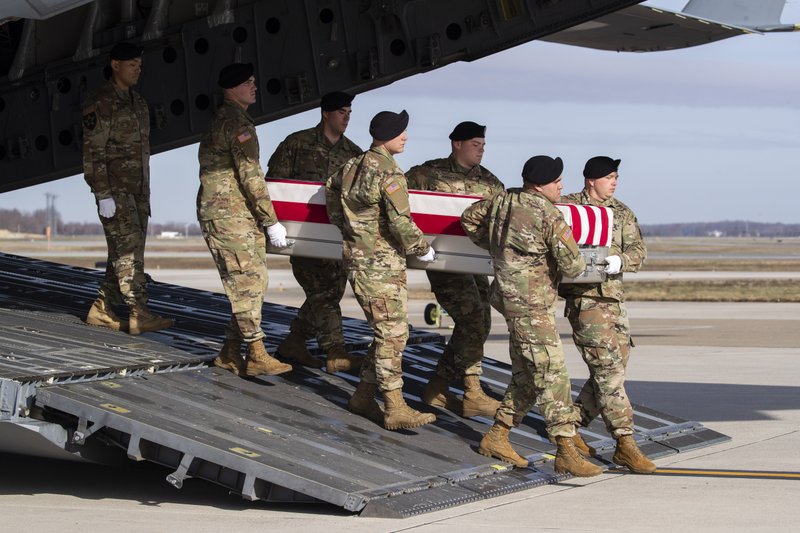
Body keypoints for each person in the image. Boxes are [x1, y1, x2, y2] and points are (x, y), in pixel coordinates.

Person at [461, 155, 601, 477]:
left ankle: (497, 435)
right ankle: (565, 448)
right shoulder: (549, 215)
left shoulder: (502, 200)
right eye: (557, 181)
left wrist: (498, 248)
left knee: (527, 372)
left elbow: (469, 219)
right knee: (552, 371)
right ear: (540, 185)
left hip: (508, 299)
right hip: (532, 306)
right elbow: (573, 265)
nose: (561, 186)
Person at [326, 110, 438, 430]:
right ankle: (395, 406)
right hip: (380, 263)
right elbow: (401, 222)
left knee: (385, 331)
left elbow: (330, 191)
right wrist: (422, 248)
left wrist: (349, 230)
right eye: (401, 132)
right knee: (393, 332)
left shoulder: (352, 165)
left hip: (358, 257)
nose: (405, 137)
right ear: (387, 135)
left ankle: (363, 396)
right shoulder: (389, 172)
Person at [558, 156, 656, 474]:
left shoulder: (622, 212)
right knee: (608, 372)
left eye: (616, 177)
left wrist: (621, 261)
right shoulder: (567, 208)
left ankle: (571, 426)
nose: (614, 182)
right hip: (585, 300)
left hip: (614, 300)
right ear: (591, 180)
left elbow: (638, 250)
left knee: (614, 369)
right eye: (609, 177)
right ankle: (625, 443)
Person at [196, 62, 292, 378]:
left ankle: (229, 351)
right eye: (248, 83)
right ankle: (257, 353)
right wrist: (271, 220)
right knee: (246, 283)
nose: (254, 87)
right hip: (229, 215)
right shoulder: (237, 124)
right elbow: (251, 175)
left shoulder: (225, 119)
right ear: (232, 88)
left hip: (231, 213)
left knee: (253, 280)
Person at [406, 121, 504, 418]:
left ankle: (438, 385)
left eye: (483, 145)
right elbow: (399, 205)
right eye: (475, 145)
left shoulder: (491, 183)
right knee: (472, 319)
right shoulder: (426, 174)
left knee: (481, 321)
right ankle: (472, 391)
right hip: (443, 261)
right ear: (457, 144)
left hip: (476, 263)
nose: (481, 150)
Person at [267, 92, 363, 373]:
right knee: (322, 292)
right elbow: (274, 187)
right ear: (325, 114)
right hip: (303, 236)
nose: (346, 118)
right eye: (341, 112)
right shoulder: (296, 144)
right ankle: (335, 351)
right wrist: (274, 226)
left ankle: (294, 343)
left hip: (337, 240)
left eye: (349, 113)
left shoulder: (354, 154)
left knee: (331, 291)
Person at [82, 42, 173, 335]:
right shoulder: (101, 102)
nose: (137, 70)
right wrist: (102, 194)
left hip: (138, 191)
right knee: (128, 253)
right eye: (132, 65)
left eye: (139, 66)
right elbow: (93, 151)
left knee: (125, 250)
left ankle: (101, 308)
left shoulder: (139, 103)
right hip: (116, 192)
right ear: (115, 65)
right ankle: (139, 312)